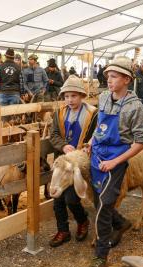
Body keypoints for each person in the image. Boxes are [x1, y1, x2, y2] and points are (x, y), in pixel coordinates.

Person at [83, 56, 143, 267]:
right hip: (97, 156)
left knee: (103, 206)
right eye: (107, 76)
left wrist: (115, 162)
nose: (108, 81)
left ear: (127, 79)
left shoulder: (134, 106)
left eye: (114, 77)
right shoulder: (103, 97)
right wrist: (91, 142)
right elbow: (100, 124)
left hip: (115, 160)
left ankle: (101, 256)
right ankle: (121, 223)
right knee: (99, 200)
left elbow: (140, 141)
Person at [48, 75, 98, 247]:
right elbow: (53, 135)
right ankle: (63, 231)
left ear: (82, 96)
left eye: (74, 96)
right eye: (67, 96)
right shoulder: (59, 113)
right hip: (63, 163)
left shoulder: (92, 114)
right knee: (57, 199)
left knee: (72, 199)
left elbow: (96, 136)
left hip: (80, 164)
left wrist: (88, 147)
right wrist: (63, 146)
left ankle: (82, 220)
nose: (70, 99)